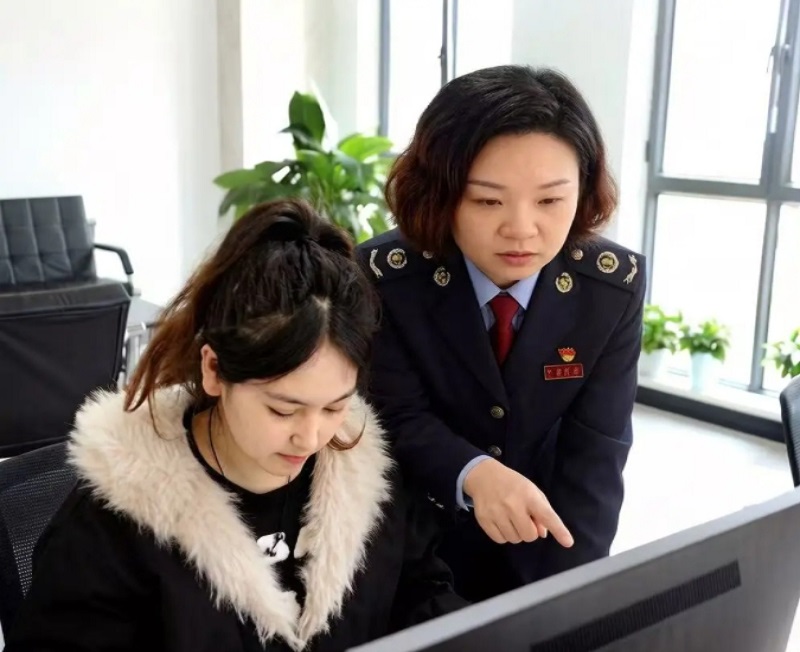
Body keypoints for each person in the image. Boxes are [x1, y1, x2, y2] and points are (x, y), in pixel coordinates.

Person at [6, 199, 468, 652]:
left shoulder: (368, 482)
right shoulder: (117, 521)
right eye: (282, 410)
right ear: (213, 370)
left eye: (334, 408)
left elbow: (425, 599)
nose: (310, 438)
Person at [357, 65, 646, 603]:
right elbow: (394, 415)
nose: (521, 229)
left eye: (550, 201)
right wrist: (472, 471)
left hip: (544, 542)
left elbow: (596, 457)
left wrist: (572, 601)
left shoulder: (610, 289)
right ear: (440, 194)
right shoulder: (386, 278)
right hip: (413, 545)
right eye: (488, 201)